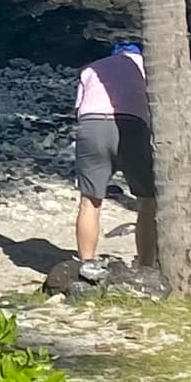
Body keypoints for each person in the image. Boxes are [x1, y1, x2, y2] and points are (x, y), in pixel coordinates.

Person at [72, 37, 150, 277]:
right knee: (148, 200)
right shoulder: (149, 68)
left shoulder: (93, 68)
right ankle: (146, 265)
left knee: (90, 200)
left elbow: (78, 108)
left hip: (92, 125)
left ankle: (87, 262)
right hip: (131, 126)